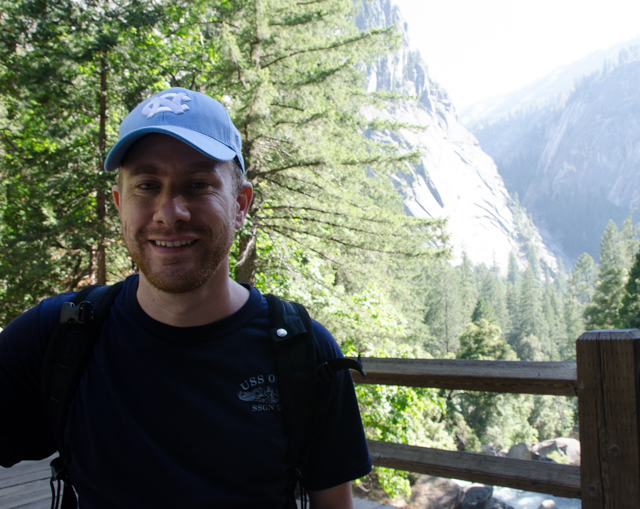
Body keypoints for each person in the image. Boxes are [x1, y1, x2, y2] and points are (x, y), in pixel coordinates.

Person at [0, 88, 371, 508]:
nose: (169, 211)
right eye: (146, 185)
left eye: (197, 184)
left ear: (240, 204)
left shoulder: (304, 352)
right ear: (120, 205)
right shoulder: (59, 333)